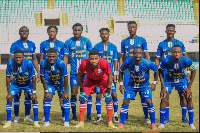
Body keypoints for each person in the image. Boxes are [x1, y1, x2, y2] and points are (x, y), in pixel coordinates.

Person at [155, 24, 190, 124]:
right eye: (168, 30)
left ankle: (184, 117)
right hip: (166, 75)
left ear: (174, 32)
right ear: (166, 31)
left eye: (172, 30)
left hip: (179, 74)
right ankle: (166, 118)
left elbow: (186, 57)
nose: (170, 32)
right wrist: (157, 71)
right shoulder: (161, 44)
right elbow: (157, 59)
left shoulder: (179, 43)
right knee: (166, 96)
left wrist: (187, 71)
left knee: (183, 95)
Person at [117, 47, 158, 130]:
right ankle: (121, 123)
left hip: (144, 85)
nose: (137, 55)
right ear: (133, 54)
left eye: (139, 53)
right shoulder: (128, 61)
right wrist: (121, 84)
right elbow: (121, 71)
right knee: (125, 101)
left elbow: (156, 70)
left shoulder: (146, 62)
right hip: (131, 85)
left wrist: (154, 82)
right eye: (135, 53)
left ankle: (153, 123)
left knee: (149, 101)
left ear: (142, 54)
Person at [74, 50, 116, 128]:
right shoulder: (84, 63)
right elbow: (79, 76)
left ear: (99, 58)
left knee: (108, 99)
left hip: (102, 80)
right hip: (89, 80)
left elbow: (110, 75)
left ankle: (110, 122)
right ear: (88, 58)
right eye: (92, 59)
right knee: (83, 98)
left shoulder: (104, 63)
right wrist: (82, 89)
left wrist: (108, 90)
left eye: (96, 59)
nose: (94, 61)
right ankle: (81, 122)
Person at [119, 21, 151, 123]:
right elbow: (122, 57)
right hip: (128, 72)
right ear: (128, 29)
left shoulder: (142, 40)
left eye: (133, 27)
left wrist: (147, 69)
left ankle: (146, 117)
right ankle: (125, 117)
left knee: (143, 95)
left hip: (141, 72)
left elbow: (146, 55)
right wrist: (121, 70)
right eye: (130, 27)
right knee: (127, 94)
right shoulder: (124, 42)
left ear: (136, 28)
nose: (132, 29)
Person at [158, 45, 196, 129]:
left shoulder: (186, 60)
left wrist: (189, 87)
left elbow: (194, 71)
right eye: (174, 52)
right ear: (172, 53)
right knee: (164, 97)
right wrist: (163, 86)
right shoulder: (166, 60)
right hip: (169, 79)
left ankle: (191, 122)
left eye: (178, 52)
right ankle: (162, 122)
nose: (176, 54)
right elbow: (160, 70)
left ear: (181, 53)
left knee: (188, 97)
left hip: (181, 79)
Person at [9, 26, 40, 123]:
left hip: (28, 73)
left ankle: (27, 116)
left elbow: (34, 59)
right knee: (17, 95)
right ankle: (16, 117)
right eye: (22, 31)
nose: (24, 32)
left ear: (28, 32)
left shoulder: (32, 44)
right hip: (17, 74)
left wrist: (38, 71)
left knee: (28, 95)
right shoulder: (14, 45)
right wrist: (10, 74)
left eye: (26, 31)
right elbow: (11, 59)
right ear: (19, 33)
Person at [63, 23, 93, 122]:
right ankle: (74, 115)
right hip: (74, 73)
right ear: (73, 31)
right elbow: (66, 57)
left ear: (81, 31)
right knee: (74, 93)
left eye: (79, 30)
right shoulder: (68, 42)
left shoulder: (87, 41)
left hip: (86, 73)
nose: (77, 32)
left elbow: (92, 56)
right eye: (75, 30)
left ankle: (88, 116)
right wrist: (64, 69)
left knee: (86, 93)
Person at [3, 49, 40, 128]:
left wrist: (34, 92)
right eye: (16, 57)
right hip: (16, 83)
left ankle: (36, 121)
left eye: (20, 57)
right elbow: (7, 78)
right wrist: (9, 93)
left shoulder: (29, 63)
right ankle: (9, 121)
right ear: (14, 57)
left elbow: (34, 78)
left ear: (23, 57)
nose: (18, 59)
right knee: (9, 99)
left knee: (34, 99)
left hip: (28, 83)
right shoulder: (10, 63)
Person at [40, 25, 67, 122]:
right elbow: (42, 58)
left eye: (53, 31)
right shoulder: (43, 44)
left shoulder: (61, 44)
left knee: (61, 95)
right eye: (50, 31)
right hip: (48, 73)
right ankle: (45, 115)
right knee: (46, 94)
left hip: (59, 72)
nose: (52, 33)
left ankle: (64, 115)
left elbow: (64, 58)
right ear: (48, 32)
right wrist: (41, 72)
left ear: (56, 32)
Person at [93, 28, 119, 122]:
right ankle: (99, 116)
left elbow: (115, 61)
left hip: (110, 75)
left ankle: (115, 115)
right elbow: (93, 62)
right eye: (102, 34)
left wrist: (115, 74)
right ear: (100, 35)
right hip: (99, 76)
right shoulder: (96, 47)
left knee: (114, 94)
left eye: (106, 34)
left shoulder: (114, 47)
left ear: (109, 34)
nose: (104, 35)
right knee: (99, 94)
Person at [40, 48, 70, 127]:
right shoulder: (43, 63)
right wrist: (46, 90)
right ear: (47, 56)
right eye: (49, 56)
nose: (51, 58)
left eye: (53, 56)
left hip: (62, 83)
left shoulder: (61, 63)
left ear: (56, 56)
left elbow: (66, 77)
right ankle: (47, 121)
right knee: (47, 99)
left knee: (65, 99)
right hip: (51, 83)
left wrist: (65, 92)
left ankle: (66, 120)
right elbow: (42, 76)